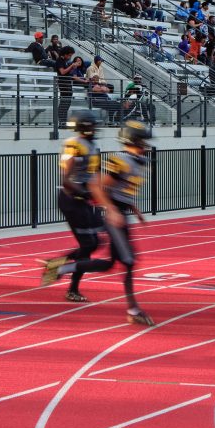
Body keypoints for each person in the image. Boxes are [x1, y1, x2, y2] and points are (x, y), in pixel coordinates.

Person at [41, 112, 113, 302]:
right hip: (72, 199)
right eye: (94, 126)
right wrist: (84, 193)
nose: (96, 129)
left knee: (97, 242)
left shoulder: (93, 146)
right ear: (86, 127)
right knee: (88, 245)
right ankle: (71, 287)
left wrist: (100, 196)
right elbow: (66, 180)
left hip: (84, 199)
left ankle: (56, 265)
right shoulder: (75, 145)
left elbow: (95, 177)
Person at [90, 120, 154, 327]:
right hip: (114, 216)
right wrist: (110, 209)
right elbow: (97, 186)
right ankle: (133, 310)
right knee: (128, 260)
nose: (145, 145)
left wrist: (134, 209)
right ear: (132, 141)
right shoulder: (122, 161)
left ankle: (58, 268)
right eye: (141, 141)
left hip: (121, 213)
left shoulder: (134, 162)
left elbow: (122, 190)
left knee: (111, 263)